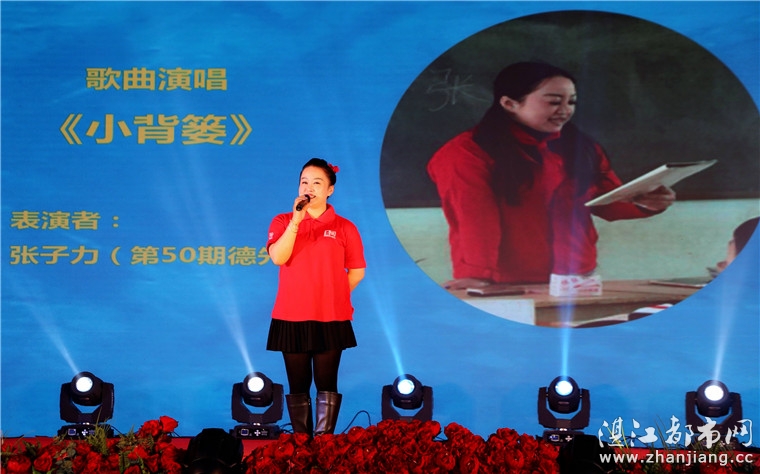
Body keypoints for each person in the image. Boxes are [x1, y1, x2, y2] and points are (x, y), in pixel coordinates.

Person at [427, 61, 675, 289]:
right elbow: (474, 220)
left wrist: (646, 202)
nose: (565, 111)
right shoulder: (466, 153)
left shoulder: (581, 147)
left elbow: (606, 200)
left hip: (576, 277)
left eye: (572, 102)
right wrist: (476, 275)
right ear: (510, 104)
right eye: (554, 102)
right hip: (504, 281)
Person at [266, 158, 366, 436]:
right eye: (304, 182)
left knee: (327, 383)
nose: (309, 187)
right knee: (297, 385)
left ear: (330, 190)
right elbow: (278, 257)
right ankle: (301, 444)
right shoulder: (283, 221)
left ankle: (324, 446)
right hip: (291, 315)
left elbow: (357, 272)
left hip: (330, 317)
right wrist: (296, 222)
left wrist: (333, 295)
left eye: (317, 182)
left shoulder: (345, 227)